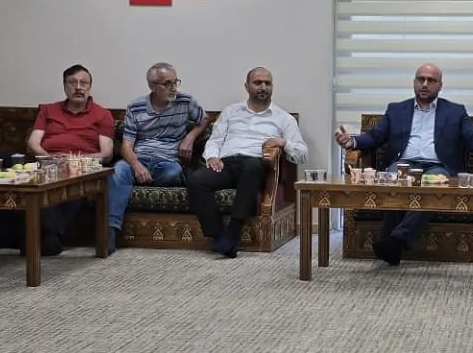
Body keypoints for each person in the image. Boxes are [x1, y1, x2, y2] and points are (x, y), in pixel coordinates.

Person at [335, 63, 473, 266]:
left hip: (437, 166)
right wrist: (352, 142)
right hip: (403, 164)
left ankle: (396, 240)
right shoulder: (396, 110)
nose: (424, 84)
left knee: (433, 187)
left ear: (440, 85)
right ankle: (392, 243)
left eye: (431, 80)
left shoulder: (455, 111)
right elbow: (375, 137)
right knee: (392, 181)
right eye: (420, 79)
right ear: (414, 82)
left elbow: (472, 136)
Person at [189, 68, 307, 258]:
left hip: (256, 166)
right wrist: (211, 157)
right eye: (257, 82)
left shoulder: (283, 118)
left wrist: (283, 142)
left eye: (267, 83)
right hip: (226, 164)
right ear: (247, 86)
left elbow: (302, 154)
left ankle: (234, 230)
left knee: (251, 166)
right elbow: (215, 140)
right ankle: (220, 237)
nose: (263, 87)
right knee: (197, 180)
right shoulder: (231, 111)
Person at [108, 63, 204, 250]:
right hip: (140, 157)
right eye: (167, 83)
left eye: (175, 82)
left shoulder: (185, 101)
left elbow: (205, 119)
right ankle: (110, 229)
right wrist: (137, 166)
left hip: (167, 162)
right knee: (118, 171)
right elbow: (126, 147)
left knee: (173, 172)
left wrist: (190, 137)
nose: (174, 88)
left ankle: (138, 180)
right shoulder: (136, 107)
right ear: (152, 86)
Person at [28, 65, 115, 255]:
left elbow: (106, 153)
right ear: (64, 86)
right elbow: (33, 143)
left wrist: (74, 160)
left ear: (90, 87)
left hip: (82, 167)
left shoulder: (102, 114)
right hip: (48, 164)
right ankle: (49, 236)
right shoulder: (48, 110)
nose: (78, 87)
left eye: (84, 83)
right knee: (37, 184)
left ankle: (48, 236)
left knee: (74, 183)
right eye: (72, 82)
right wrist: (51, 159)